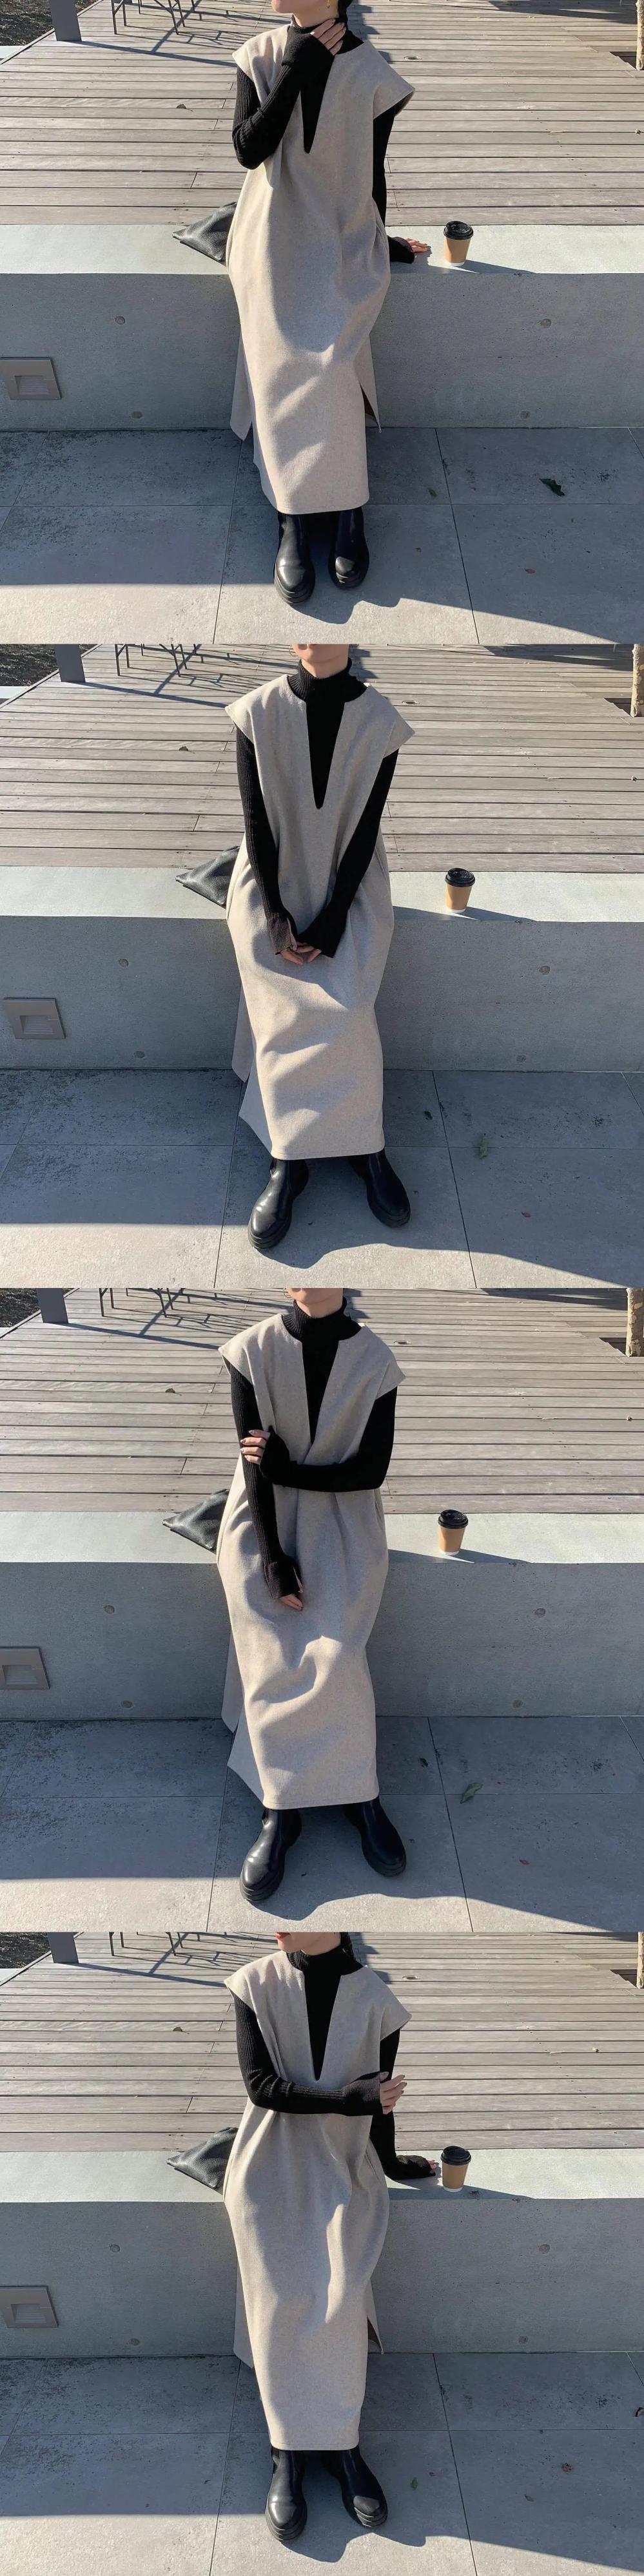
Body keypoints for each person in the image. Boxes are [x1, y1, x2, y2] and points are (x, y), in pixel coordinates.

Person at [223, 1929, 437, 2542]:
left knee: (341, 2297)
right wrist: (347, 2098)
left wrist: (391, 2164)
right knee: (279, 2298)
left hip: (344, 2166)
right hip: (267, 2165)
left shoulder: (376, 2000)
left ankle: (343, 2446)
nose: (282, 1924)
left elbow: (379, 2104)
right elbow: (261, 2088)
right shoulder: (253, 1983)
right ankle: (285, 2452)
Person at [226, 0, 424, 601]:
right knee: (280, 355)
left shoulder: (373, 76)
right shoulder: (259, 56)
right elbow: (249, 150)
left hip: (341, 232)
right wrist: (297, 67)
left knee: (335, 360)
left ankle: (346, 508)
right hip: (268, 234)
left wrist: (381, 241)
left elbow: (370, 173)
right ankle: (290, 514)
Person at [215, 1288, 407, 1901]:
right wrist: (273, 1559)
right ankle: (280, 1808)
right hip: (261, 1523)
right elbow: (254, 1470)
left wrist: (291, 1470)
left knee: (338, 1655)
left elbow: (371, 1471)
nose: (314, 1281)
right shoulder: (250, 1350)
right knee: (271, 1653)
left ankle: (360, 1795)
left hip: (346, 1521)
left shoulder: (376, 1360)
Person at [226, 642, 413, 1250]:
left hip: (349, 886)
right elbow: (255, 823)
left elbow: (365, 831)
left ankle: (367, 1147)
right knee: (281, 1010)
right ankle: (287, 1159)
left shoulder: (379, 719)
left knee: (349, 1007)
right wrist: (277, 918)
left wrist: (332, 921)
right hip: (268, 886)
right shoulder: (256, 711)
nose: (313, 638)